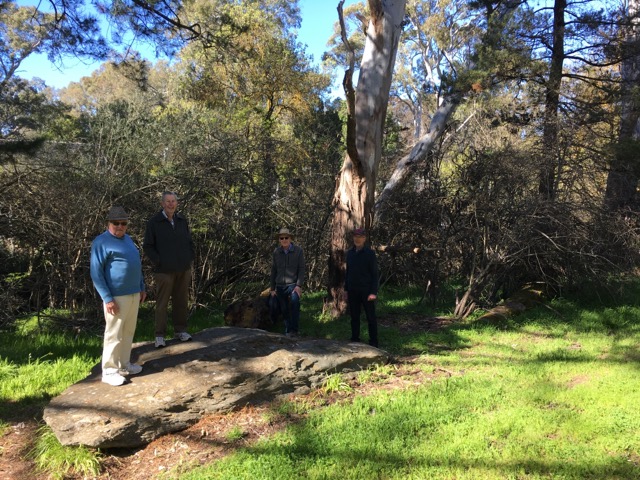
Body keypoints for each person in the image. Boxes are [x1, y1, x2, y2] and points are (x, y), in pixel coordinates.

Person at [90, 206, 146, 386]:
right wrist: (107, 298)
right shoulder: (101, 242)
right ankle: (109, 370)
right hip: (115, 296)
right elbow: (96, 273)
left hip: (133, 293)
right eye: (116, 223)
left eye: (124, 223)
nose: (120, 226)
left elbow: (136, 265)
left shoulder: (128, 240)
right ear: (109, 223)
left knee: (128, 331)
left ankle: (124, 364)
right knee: (114, 333)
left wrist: (141, 287)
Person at [143, 191, 194, 348]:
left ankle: (180, 331)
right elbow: (148, 246)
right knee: (162, 304)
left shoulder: (182, 220)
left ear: (176, 203)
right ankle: (160, 336)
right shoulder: (154, 222)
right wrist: (159, 261)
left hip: (183, 269)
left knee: (181, 301)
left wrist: (188, 258)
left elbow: (189, 242)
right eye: (168, 201)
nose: (171, 204)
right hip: (164, 271)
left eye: (173, 201)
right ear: (162, 204)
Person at [345, 228, 379, 347]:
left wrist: (373, 292)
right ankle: (355, 339)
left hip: (367, 291)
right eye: (355, 237)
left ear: (364, 238)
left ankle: (373, 342)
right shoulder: (350, 253)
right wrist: (346, 289)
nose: (357, 239)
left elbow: (375, 274)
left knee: (371, 317)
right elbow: (348, 272)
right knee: (354, 317)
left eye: (360, 237)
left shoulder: (370, 254)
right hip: (353, 290)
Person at [270, 228, 305, 337]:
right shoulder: (276, 252)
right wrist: (272, 288)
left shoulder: (298, 251)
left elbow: (301, 269)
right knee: (283, 309)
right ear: (279, 240)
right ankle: (288, 330)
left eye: (286, 237)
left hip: (293, 285)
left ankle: (294, 329)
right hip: (280, 285)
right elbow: (273, 270)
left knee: (295, 303)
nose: (284, 240)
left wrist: (298, 285)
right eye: (282, 238)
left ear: (290, 238)